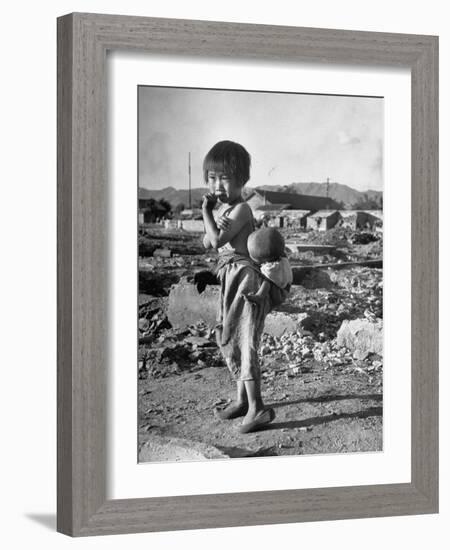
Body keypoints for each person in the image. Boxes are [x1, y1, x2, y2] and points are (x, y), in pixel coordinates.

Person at [201, 140, 275, 433]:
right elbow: (206, 242)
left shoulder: (242, 208)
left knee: (246, 343)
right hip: (228, 278)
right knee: (229, 338)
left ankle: (256, 408)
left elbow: (217, 241)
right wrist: (211, 217)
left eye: (225, 178)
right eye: (212, 178)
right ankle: (241, 400)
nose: (217, 185)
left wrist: (208, 215)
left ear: (242, 180)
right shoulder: (224, 210)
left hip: (245, 280)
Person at [242, 227, 293, 308]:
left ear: (262, 259)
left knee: (267, 280)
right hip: (285, 290)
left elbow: (266, 275)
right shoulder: (283, 259)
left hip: (277, 294)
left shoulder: (271, 268)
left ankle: (259, 296)